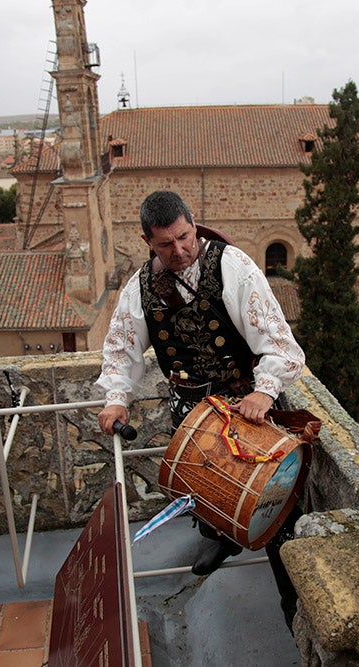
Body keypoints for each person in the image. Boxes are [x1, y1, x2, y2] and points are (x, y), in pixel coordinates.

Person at [96, 191, 306, 625]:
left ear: (194, 224)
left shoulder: (233, 266)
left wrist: (265, 391)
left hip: (248, 407)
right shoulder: (139, 288)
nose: (180, 250)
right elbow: (121, 349)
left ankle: (295, 600)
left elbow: (280, 343)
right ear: (146, 241)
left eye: (185, 237)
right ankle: (219, 538)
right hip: (190, 412)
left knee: (272, 506)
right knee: (203, 491)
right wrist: (116, 399)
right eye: (165, 245)